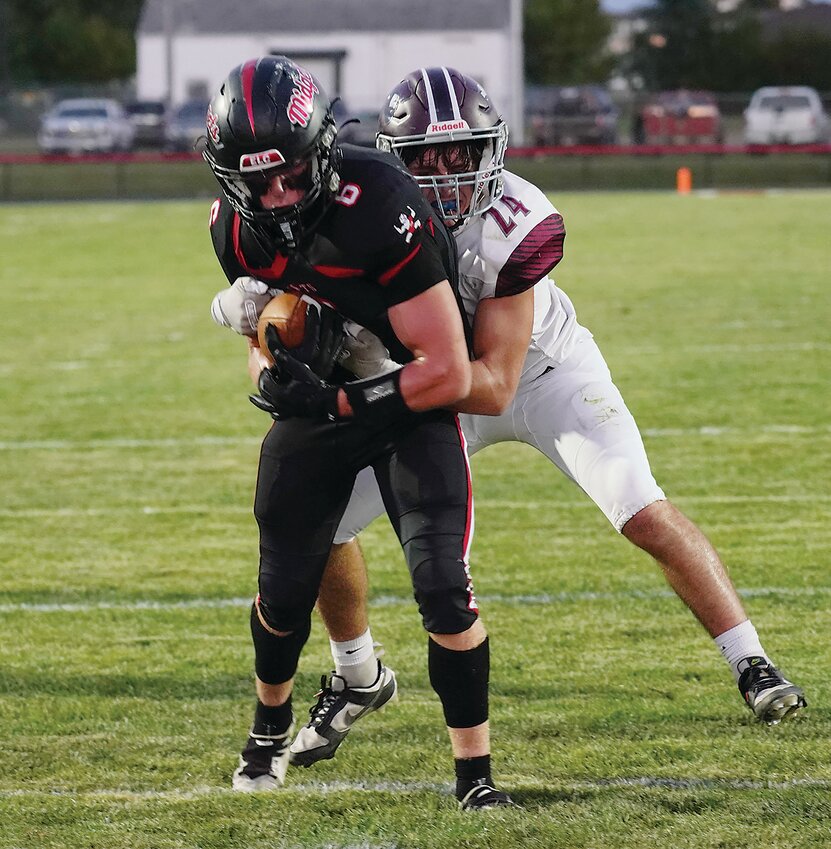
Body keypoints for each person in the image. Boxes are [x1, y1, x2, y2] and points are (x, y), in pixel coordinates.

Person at [283, 67, 807, 768]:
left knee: (638, 505)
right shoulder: (363, 211)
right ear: (392, 161)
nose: (442, 178)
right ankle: (357, 673)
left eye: (459, 154)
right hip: (429, 384)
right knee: (320, 525)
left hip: (536, 372)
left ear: (491, 149)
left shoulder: (516, 219)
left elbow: (495, 383)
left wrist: (358, 393)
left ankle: (752, 661)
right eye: (423, 160)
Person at [203, 56, 513, 810]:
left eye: (289, 172)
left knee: (443, 583)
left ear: (323, 149)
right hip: (324, 398)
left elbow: (446, 370)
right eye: (256, 179)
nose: (275, 195)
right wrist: (269, 367)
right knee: (282, 582)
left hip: (407, 398)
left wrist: (336, 404)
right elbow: (271, 328)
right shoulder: (234, 232)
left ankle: (475, 775)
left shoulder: (379, 202)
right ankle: (267, 731)